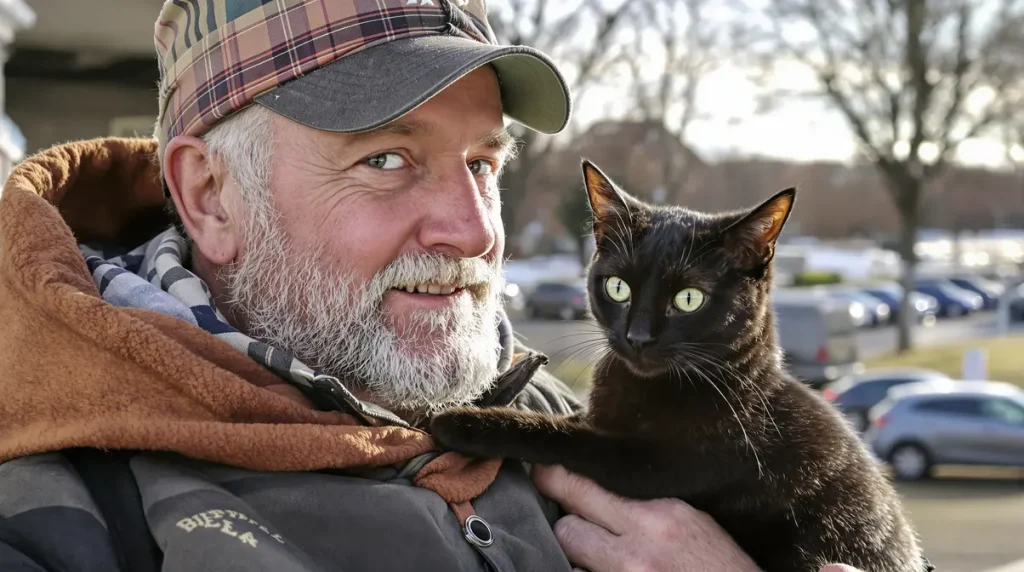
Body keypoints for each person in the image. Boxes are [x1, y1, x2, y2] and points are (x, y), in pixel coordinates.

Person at [0, 1, 865, 570]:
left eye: (484, 162)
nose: (476, 229)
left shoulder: (579, 418)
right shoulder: (55, 516)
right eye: (386, 158)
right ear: (209, 195)